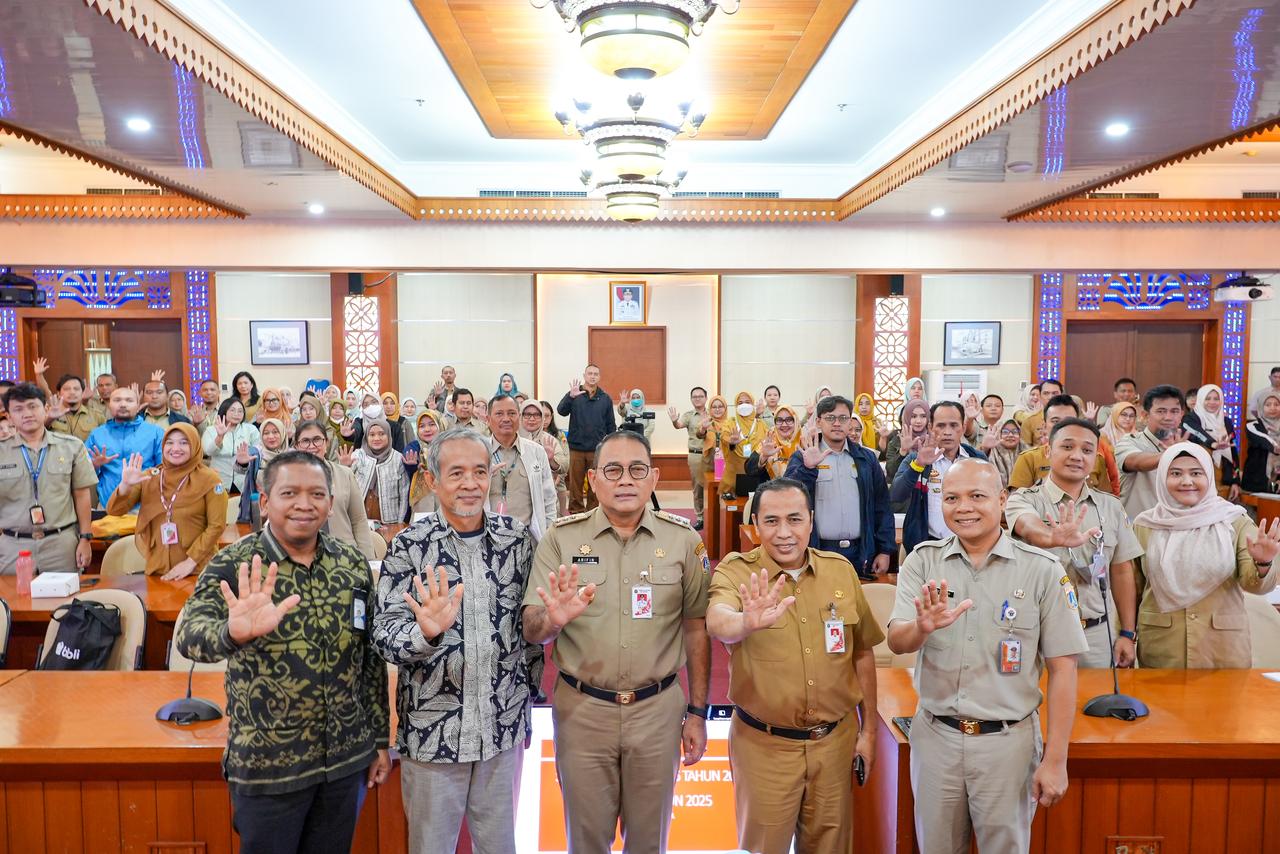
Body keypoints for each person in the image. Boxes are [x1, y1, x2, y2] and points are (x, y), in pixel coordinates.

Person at [176, 451, 391, 853]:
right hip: (268, 767)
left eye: (317, 494)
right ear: (265, 500)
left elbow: (369, 659)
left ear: (331, 503)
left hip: (345, 762)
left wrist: (378, 738)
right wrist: (231, 633)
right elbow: (188, 636)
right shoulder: (236, 564)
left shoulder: (351, 564)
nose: (304, 504)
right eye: (289, 493)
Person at [886, 459, 1087, 854]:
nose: (964, 508)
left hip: (1007, 744)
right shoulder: (922, 561)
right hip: (937, 738)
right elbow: (897, 641)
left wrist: (1056, 759)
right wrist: (921, 627)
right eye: (951, 498)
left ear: (1002, 500)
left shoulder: (1042, 570)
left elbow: (1064, 669)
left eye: (977, 496)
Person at [522, 431, 710, 853]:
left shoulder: (683, 540)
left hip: (657, 714)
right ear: (592, 480)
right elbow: (531, 628)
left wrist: (698, 712)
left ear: (654, 478)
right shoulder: (561, 539)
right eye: (613, 470)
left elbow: (696, 627)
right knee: (586, 841)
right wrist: (552, 620)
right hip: (584, 713)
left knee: (649, 842)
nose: (625, 479)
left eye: (637, 470)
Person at [371, 429, 541, 854]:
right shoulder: (410, 546)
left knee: (500, 847)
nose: (470, 484)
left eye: (479, 472)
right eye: (457, 473)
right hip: (433, 738)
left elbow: (529, 637)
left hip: (501, 733)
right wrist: (425, 633)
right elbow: (384, 635)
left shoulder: (516, 540)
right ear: (432, 480)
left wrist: (525, 709)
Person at [706, 478, 881, 854]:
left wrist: (868, 732)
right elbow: (717, 620)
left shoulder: (839, 571)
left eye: (795, 519)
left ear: (811, 521)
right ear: (755, 525)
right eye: (771, 521)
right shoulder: (738, 572)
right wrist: (745, 622)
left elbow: (862, 653)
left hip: (834, 744)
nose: (784, 533)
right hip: (764, 747)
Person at [1005, 418, 1142, 668]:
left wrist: (1127, 633)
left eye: (1087, 450)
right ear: (1048, 451)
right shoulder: (1025, 499)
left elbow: (1122, 571)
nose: (1077, 456)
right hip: (1038, 633)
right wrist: (1050, 537)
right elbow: (1027, 525)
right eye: (1067, 447)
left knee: (1098, 693)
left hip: (1097, 634)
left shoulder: (1110, 506)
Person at [1130, 442, 1279, 668]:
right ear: (1161, 478)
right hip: (1162, 647)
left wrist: (1263, 562)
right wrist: (1124, 635)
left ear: (1209, 476)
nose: (1186, 481)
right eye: (1175, 473)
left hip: (1221, 648)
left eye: (1196, 473)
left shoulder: (1235, 521)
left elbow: (1255, 585)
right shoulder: (1144, 525)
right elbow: (1132, 590)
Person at [784, 395, 895, 580]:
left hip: (859, 552)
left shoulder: (866, 459)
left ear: (850, 421)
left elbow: (882, 505)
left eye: (843, 418)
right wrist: (807, 469)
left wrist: (885, 549)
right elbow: (788, 498)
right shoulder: (804, 455)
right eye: (830, 418)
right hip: (817, 549)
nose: (837, 423)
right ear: (818, 422)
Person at [107, 422, 228, 580]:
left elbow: (216, 526)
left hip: (198, 571)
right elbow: (114, 510)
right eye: (169, 443)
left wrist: (190, 562)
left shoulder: (210, 480)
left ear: (195, 445)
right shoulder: (150, 477)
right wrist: (125, 485)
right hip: (158, 570)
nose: (175, 448)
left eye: (184, 443)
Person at [0, 383, 96, 573]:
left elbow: (82, 495)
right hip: (13, 545)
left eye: (32, 406)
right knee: (14, 593)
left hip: (61, 543)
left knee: (64, 593)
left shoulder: (72, 447)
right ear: (9, 416)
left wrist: (85, 538)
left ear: (45, 408)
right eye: (18, 409)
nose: (27, 414)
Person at [891, 401, 987, 555]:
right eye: (941, 426)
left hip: (971, 545)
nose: (947, 432)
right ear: (930, 427)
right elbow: (896, 495)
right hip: (927, 546)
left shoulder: (977, 458)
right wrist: (918, 465)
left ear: (963, 428)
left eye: (954, 425)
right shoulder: (917, 458)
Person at [293, 420, 378, 559]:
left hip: (344, 556)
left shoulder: (345, 474)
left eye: (317, 440)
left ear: (326, 443)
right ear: (297, 446)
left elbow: (358, 520)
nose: (312, 446)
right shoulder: (287, 479)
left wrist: (367, 560)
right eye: (305, 441)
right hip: (302, 557)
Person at [485, 395, 558, 541]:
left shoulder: (536, 451)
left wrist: (549, 536)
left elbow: (549, 498)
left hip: (527, 538)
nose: (506, 419)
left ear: (518, 417)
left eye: (512, 413)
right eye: (499, 414)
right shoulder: (479, 451)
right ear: (488, 419)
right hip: (489, 537)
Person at [1009, 394, 1113, 494]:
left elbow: (1105, 501)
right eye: (1055, 421)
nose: (1062, 426)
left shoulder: (1094, 459)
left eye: (1068, 421)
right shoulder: (1029, 458)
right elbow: (1017, 501)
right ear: (1044, 426)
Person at [1116, 385, 1191, 520]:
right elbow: (1136, 462)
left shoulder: (1190, 449)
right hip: (1139, 527)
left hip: (1178, 526)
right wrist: (1173, 453)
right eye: (1161, 411)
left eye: (1174, 411)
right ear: (1145, 416)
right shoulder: (1130, 442)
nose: (1168, 417)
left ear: (1181, 415)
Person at [86, 385, 165, 508]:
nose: (123, 404)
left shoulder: (155, 432)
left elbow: (165, 469)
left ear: (138, 406)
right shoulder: (97, 434)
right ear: (109, 405)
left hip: (145, 506)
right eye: (117, 400)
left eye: (129, 400)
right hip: (108, 506)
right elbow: (83, 473)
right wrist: (95, 465)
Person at [557, 364, 615, 513]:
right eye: (590, 373)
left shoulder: (605, 398)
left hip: (597, 449)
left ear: (599, 377)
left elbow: (611, 425)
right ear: (584, 376)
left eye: (596, 374)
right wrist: (570, 396)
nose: (593, 376)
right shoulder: (575, 394)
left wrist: (610, 446)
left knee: (595, 482)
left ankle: (593, 511)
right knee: (575, 485)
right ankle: (576, 512)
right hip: (576, 448)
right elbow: (561, 411)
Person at [1184, 383, 1241, 501]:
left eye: (1216, 399)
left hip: (1223, 476)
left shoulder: (1226, 421)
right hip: (1198, 476)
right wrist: (1213, 444)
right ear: (1200, 399)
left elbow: (1233, 452)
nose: (1212, 402)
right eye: (1208, 398)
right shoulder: (1191, 418)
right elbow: (1197, 433)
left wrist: (1235, 482)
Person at [350, 416, 409, 527]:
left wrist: (400, 523)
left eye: (381, 434)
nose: (376, 438)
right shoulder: (358, 455)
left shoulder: (398, 459)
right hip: (359, 521)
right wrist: (345, 466)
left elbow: (404, 494)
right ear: (366, 437)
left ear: (389, 435)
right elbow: (345, 484)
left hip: (390, 522)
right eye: (372, 435)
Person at [668, 386, 710, 529]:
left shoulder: (712, 413)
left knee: (715, 487)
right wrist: (674, 421)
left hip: (713, 456)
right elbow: (678, 425)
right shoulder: (688, 415)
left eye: (700, 396)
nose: (697, 399)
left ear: (706, 398)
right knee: (698, 487)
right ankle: (700, 517)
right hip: (695, 455)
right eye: (694, 397)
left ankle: (714, 515)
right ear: (691, 399)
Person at [202, 398, 261, 494]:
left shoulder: (251, 430)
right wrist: (220, 437)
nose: (236, 414)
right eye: (232, 410)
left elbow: (259, 449)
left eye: (240, 411)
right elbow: (208, 451)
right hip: (219, 478)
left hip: (243, 480)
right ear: (224, 410)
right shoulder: (211, 430)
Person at [721, 391, 767, 498]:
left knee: (754, 502)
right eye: (740, 403)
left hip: (755, 472)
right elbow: (724, 437)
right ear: (736, 406)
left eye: (747, 402)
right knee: (733, 504)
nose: (744, 405)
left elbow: (767, 441)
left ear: (752, 404)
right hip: (734, 473)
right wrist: (731, 442)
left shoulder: (760, 424)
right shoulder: (730, 422)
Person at [47, 373, 105, 442]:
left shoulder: (96, 415)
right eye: (67, 389)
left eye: (76, 389)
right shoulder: (49, 415)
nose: (72, 392)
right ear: (59, 394)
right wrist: (49, 419)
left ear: (82, 393)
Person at [751, 404, 801, 482]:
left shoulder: (804, 442)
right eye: (779, 420)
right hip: (772, 488)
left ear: (796, 421)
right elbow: (749, 470)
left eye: (789, 420)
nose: (784, 425)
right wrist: (764, 457)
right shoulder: (769, 441)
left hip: (800, 489)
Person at [884, 398, 930, 483]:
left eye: (923, 416)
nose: (918, 421)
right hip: (902, 489)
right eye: (913, 416)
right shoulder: (896, 440)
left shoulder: (932, 440)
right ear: (907, 417)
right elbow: (891, 472)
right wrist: (903, 451)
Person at [1243, 391, 1280, 493]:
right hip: (1256, 480)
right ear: (1260, 407)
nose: (1272, 408)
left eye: (1276, 404)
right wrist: (1275, 447)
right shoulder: (1253, 425)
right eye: (1268, 405)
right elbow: (1263, 439)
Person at [538, 401, 571, 516]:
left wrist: (558, 476)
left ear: (551, 417)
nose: (544, 419)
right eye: (541, 415)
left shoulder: (559, 435)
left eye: (547, 416)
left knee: (560, 483)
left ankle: (562, 510)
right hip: (540, 472)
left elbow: (565, 458)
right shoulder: (531, 434)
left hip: (556, 469)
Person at [1020, 378, 1063, 445]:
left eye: (1055, 393)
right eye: (1046, 393)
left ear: (1062, 395)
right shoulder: (1029, 421)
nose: (1050, 397)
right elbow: (1025, 449)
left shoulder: (1070, 419)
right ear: (1040, 396)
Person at [983, 418, 1024, 488]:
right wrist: (985, 448)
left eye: (1015, 432)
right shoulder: (989, 453)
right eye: (1005, 432)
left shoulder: (1027, 451)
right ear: (998, 434)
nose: (1010, 435)